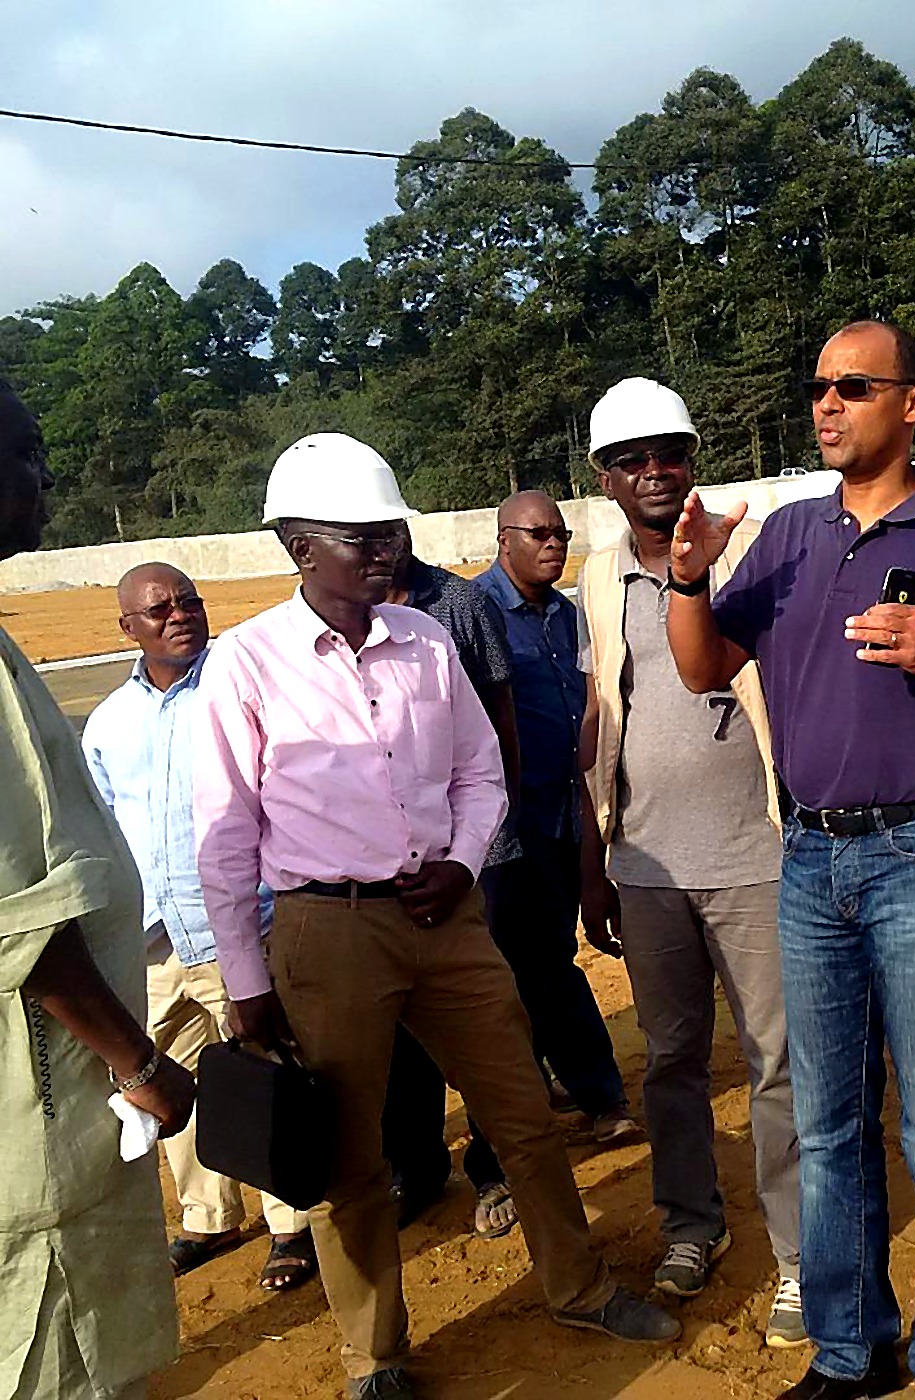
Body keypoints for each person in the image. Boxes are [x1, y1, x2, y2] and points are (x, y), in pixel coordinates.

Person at [194, 433, 678, 1400]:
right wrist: (247, 985)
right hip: (326, 931)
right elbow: (226, 834)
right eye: (359, 537)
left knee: (525, 1117)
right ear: (298, 545)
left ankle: (576, 1286)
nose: (383, 550)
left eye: (390, 531)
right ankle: (374, 1355)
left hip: (448, 918)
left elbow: (477, 768)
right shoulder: (247, 663)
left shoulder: (424, 641)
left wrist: (461, 864)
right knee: (350, 1159)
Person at [667, 322, 915, 1399]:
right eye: (817, 387)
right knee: (828, 1123)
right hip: (809, 857)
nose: (825, 404)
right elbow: (703, 668)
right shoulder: (786, 536)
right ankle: (848, 1349)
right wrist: (689, 579)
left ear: (912, 403)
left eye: (851, 386)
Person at [575, 378, 803, 1348]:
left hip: (757, 855)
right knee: (669, 1061)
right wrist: (596, 856)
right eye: (631, 458)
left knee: (777, 1060)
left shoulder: (742, 554)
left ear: (690, 458)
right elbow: (600, 712)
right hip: (648, 863)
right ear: (605, 476)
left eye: (668, 451)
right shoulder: (594, 574)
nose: (653, 470)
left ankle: (801, 1252)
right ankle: (689, 1226)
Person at [0, 378, 194, 1400]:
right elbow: (19, 925)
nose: (45, 472)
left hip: (53, 1092)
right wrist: (138, 1055)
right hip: (33, 1111)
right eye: (26, 451)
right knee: (53, 1353)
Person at [82, 563, 316, 1290]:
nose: (179, 615)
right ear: (128, 628)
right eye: (159, 609)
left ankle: (292, 1223)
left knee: (264, 1068)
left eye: (189, 601)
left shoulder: (241, 687)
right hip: (150, 936)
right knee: (167, 1075)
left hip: (242, 921)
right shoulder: (107, 724)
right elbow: (102, 824)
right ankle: (209, 1215)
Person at [474, 495, 640, 1135]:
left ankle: (567, 1087)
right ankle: (594, 1096)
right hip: (502, 833)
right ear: (503, 537)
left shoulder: (569, 619)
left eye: (561, 533)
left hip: (566, 819)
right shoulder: (474, 614)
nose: (553, 544)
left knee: (543, 961)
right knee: (527, 966)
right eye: (539, 533)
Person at [380, 527, 526, 1237]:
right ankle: (417, 1164)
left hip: (473, 857)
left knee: (482, 1023)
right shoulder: (317, 636)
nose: (378, 547)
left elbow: (499, 721)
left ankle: (492, 1167)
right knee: (402, 1031)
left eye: (388, 531)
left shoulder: (458, 607)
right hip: (387, 883)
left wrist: (491, 833)